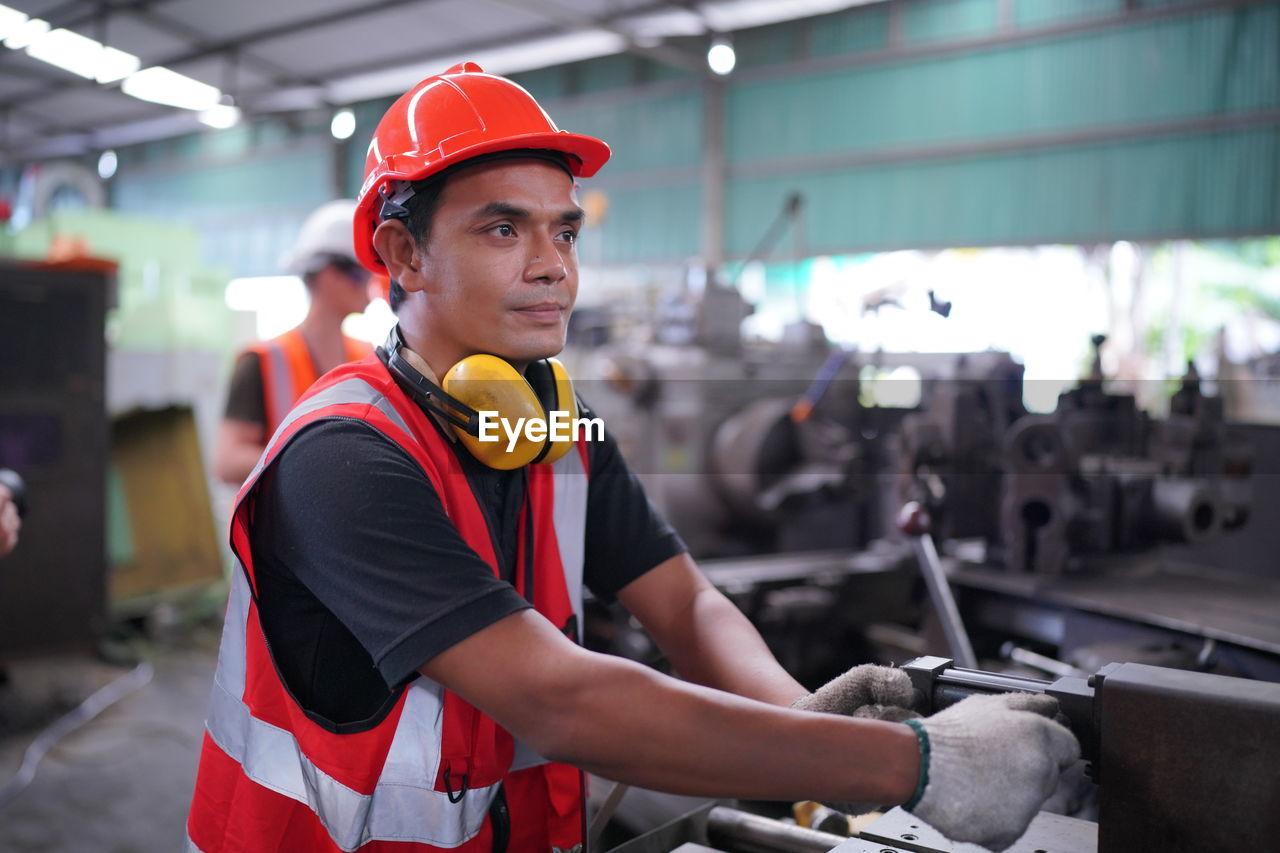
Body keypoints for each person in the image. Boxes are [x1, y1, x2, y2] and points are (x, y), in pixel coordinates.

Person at [186, 63, 1077, 853]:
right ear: (403, 253)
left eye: (565, 232)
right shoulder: (341, 458)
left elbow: (684, 599)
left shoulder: (561, 422)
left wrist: (795, 713)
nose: (554, 268)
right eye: (505, 231)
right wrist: (908, 764)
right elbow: (558, 699)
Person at [212, 199, 374, 485]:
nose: (371, 288)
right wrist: (316, 461)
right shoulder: (262, 361)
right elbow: (227, 461)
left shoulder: (367, 357)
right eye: (362, 275)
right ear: (330, 275)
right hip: (283, 523)